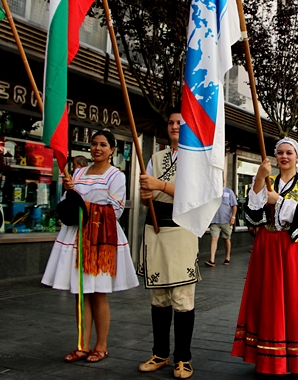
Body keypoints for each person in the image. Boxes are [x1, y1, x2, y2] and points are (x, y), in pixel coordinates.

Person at [231, 137, 298, 374]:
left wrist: (279, 201)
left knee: (293, 296)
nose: (284, 157)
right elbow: (253, 214)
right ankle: (266, 351)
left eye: (289, 153)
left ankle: (293, 354)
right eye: (280, 153)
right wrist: (258, 179)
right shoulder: (268, 181)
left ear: (297, 158)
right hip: (267, 244)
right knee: (267, 295)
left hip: (293, 246)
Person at [42, 130, 138, 363]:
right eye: (94, 144)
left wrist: (80, 201)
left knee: (98, 294)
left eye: (103, 145)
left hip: (100, 238)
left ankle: (101, 345)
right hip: (77, 235)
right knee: (81, 293)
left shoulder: (116, 175)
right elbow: (68, 204)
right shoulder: (79, 171)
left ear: (112, 149)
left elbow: (115, 209)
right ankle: (82, 344)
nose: (97, 148)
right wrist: (69, 192)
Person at [137, 111, 200, 379]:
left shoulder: (197, 158)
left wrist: (160, 185)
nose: (175, 127)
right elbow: (146, 198)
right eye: (172, 123)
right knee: (159, 298)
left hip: (183, 230)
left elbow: (196, 195)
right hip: (156, 229)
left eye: (180, 123)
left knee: (182, 299)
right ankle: (160, 353)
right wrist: (146, 195)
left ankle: (183, 358)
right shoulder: (155, 157)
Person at [206, 183, 238, 266]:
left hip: (226, 220)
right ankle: (212, 260)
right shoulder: (212, 192)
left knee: (226, 239)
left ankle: (227, 257)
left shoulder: (229, 192)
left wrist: (233, 217)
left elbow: (234, 205)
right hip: (214, 220)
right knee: (214, 238)